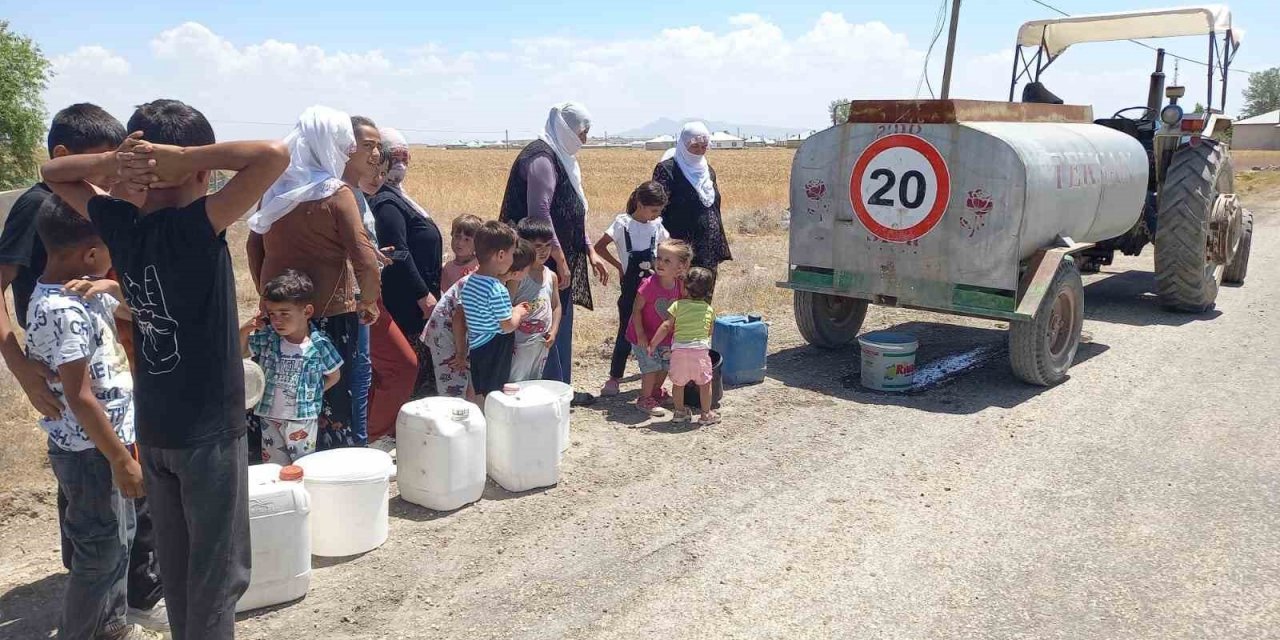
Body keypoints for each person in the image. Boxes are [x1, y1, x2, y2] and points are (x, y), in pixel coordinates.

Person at [42, 98, 290, 640]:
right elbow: (273, 156)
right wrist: (179, 157)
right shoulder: (195, 227)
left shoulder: (121, 224)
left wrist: (114, 166)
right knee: (216, 577)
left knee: (176, 574)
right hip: (210, 436)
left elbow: (51, 173)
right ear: (198, 168)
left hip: (155, 434)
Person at [0, 103, 168, 634]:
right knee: (98, 519)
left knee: (118, 516)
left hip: (107, 385)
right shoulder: (41, 207)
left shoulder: (97, 205)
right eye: (101, 167)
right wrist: (22, 369)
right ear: (62, 159)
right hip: (78, 392)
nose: (109, 180)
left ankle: (120, 605)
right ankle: (99, 605)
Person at [26, 198, 156, 640]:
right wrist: (121, 460)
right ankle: (81, 632)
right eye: (111, 247)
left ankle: (112, 626)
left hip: (106, 443)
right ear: (91, 253)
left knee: (119, 541)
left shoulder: (83, 290)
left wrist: (111, 289)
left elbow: (137, 314)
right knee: (99, 551)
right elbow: (80, 397)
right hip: (92, 452)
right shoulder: (64, 309)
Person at [247, 107, 383, 450]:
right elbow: (364, 257)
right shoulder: (336, 193)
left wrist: (270, 299)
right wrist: (368, 301)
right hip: (331, 316)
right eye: (344, 145)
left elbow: (253, 246)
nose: (347, 152)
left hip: (280, 316)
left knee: (282, 394)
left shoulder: (273, 190)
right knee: (332, 396)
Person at [499, 102, 609, 405]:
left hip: (558, 255)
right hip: (536, 259)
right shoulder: (541, 158)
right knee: (539, 326)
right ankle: (542, 393)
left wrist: (588, 249)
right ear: (565, 129)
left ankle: (561, 389)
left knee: (559, 322)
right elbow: (542, 213)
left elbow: (571, 212)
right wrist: (559, 260)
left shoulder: (562, 158)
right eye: (582, 132)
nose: (584, 139)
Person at [367, 128, 444, 400]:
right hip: (408, 301)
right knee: (410, 364)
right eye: (393, 157)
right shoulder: (386, 202)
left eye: (404, 157)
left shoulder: (398, 195)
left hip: (419, 298)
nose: (399, 165)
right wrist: (422, 294)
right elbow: (397, 253)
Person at [240, 270, 343, 464]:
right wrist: (245, 329)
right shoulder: (268, 339)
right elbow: (241, 353)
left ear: (307, 312)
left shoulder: (319, 345)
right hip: (270, 417)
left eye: (284, 314)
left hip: (302, 419)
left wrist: (313, 394)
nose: (277, 320)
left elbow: (334, 376)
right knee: (274, 467)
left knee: (302, 466)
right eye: (272, 314)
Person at [356, 150, 418, 446]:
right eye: (372, 169)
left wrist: (373, 256)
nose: (378, 178)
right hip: (358, 298)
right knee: (402, 365)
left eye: (382, 172)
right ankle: (373, 435)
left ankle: (368, 433)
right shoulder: (341, 197)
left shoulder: (361, 199)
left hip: (369, 293)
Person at [594, 181, 671, 396]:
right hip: (631, 289)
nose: (656, 215)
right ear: (640, 203)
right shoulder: (623, 224)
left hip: (654, 289)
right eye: (653, 210)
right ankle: (615, 377)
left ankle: (654, 380)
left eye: (659, 211)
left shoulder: (657, 226)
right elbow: (599, 246)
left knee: (656, 331)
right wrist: (619, 265)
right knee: (626, 332)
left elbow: (668, 247)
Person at [452, 222, 531, 400]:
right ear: (501, 255)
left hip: (476, 345)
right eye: (512, 253)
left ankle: (478, 419)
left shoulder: (470, 281)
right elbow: (507, 325)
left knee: (479, 388)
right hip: (495, 346)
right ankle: (492, 422)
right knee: (494, 392)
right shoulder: (497, 289)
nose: (512, 259)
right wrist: (517, 312)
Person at [653, 122, 732, 271]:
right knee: (680, 291)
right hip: (680, 248)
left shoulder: (708, 171)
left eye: (704, 147)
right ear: (683, 144)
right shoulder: (667, 170)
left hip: (708, 246)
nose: (700, 151)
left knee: (703, 288)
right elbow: (657, 207)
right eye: (695, 146)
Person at [627, 240, 691, 415]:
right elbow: (636, 309)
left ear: (680, 266)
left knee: (665, 365)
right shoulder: (649, 284)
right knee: (651, 367)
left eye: (667, 260)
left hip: (666, 336)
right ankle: (644, 398)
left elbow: (683, 307)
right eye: (659, 258)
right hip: (644, 335)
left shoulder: (680, 285)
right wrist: (640, 334)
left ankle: (656, 393)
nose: (660, 263)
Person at [650, 267, 720, 425]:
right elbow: (709, 331)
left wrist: (653, 344)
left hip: (679, 352)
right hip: (700, 352)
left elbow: (666, 326)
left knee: (678, 384)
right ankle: (706, 414)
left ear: (684, 287)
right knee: (705, 384)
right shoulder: (709, 309)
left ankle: (680, 412)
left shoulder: (677, 306)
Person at [509, 218, 561, 382]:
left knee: (534, 380)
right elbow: (507, 306)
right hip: (518, 345)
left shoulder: (551, 276)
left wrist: (554, 330)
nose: (544, 251)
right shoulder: (518, 276)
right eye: (538, 246)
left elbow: (556, 306)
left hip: (541, 343)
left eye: (547, 246)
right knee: (514, 382)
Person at [440, 214, 482, 294]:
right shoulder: (446, 268)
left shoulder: (480, 267)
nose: (460, 243)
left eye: (467, 239)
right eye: (457, 236)